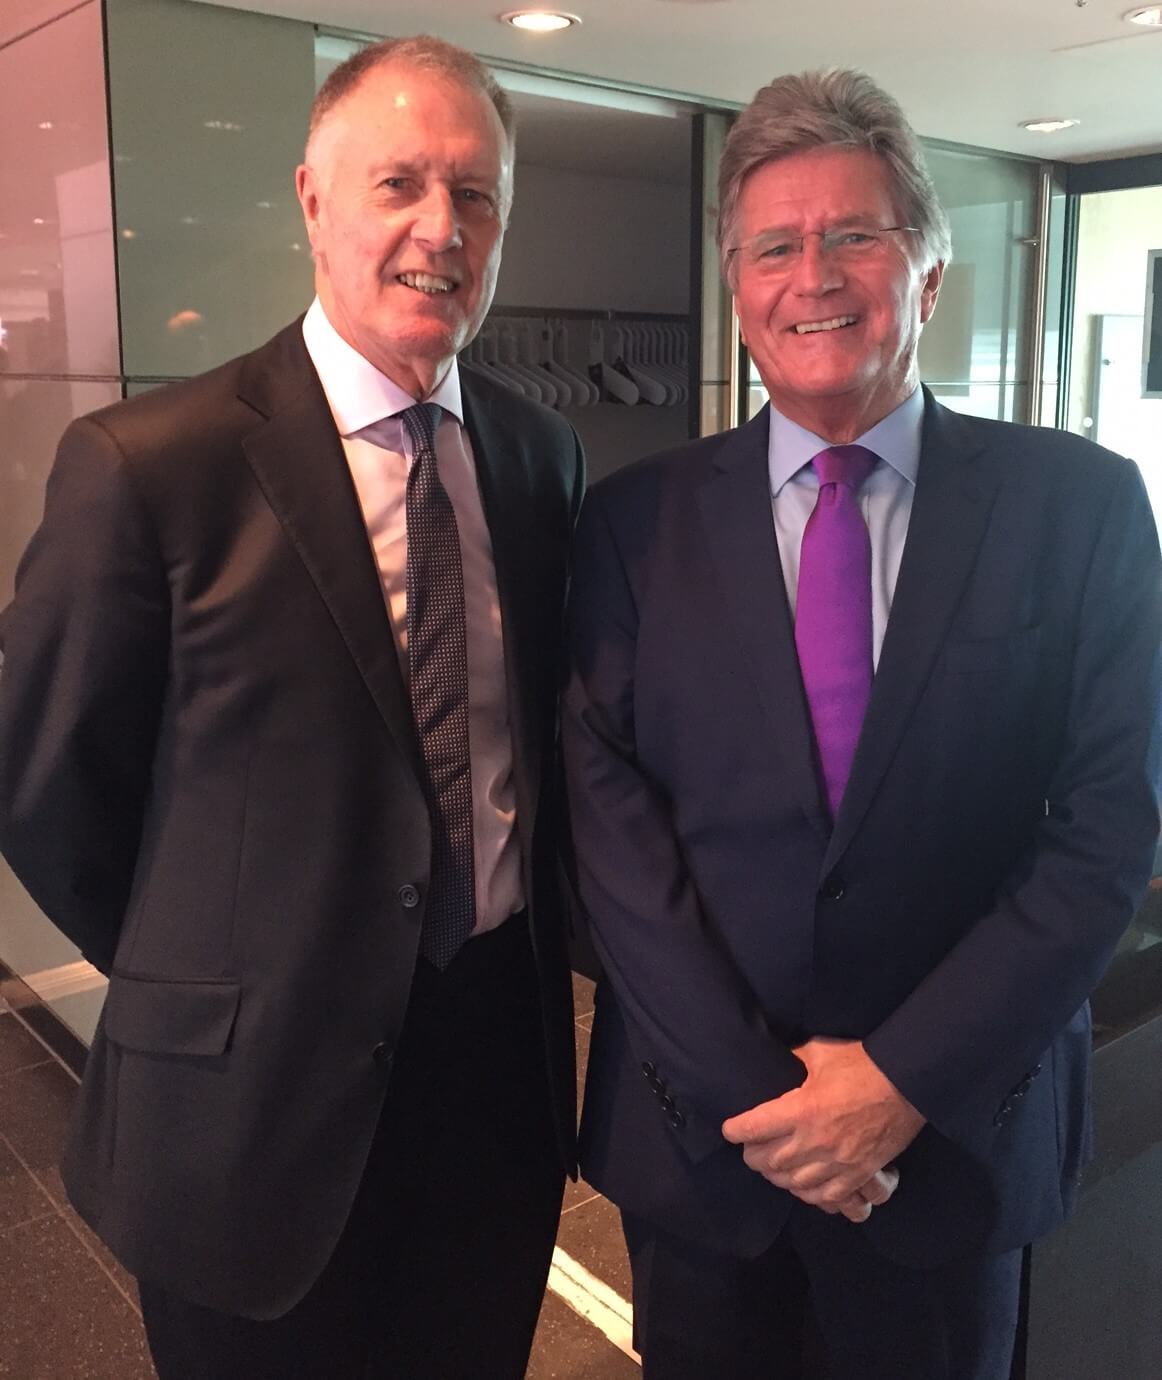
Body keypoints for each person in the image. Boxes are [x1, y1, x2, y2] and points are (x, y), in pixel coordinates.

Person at [0, 35, 583, 1380]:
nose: (441, 228)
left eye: (475, 193)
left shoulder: (538, 455)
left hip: (491, 1069)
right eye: (399, 184)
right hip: (243, 1099)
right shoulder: (153, 467)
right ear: (313, 201)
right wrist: (215, 954)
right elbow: (47, 787)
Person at [562, 68, 1160, 1380]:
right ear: (737, 283)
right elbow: (612, 841)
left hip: (952, 1147)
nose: (812, 275)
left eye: (855, 236)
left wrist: (897, 1084)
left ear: (929, 277)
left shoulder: (1079, 509)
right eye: (773, 245)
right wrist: (763, 1105)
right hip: (706, 1149)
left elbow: (1108, 829)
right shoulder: (632, 524)